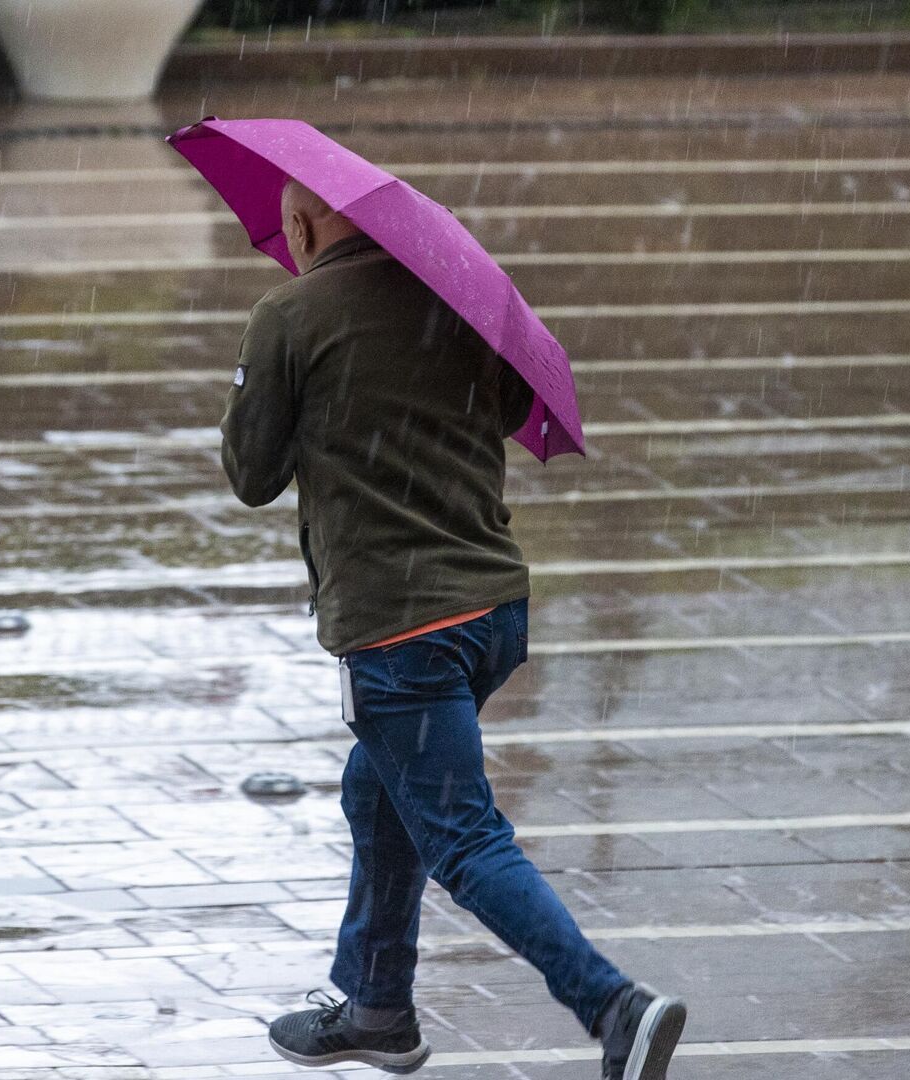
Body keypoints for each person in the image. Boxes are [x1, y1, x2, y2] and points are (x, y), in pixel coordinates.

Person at [222, 179, 686, 1080]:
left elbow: (251, 473)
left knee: (463, 837)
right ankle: (378, 1008)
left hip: (402, 630)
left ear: (305, 225)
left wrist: (280, 385)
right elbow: (512, 408)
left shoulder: (288, 315)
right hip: (493, 611)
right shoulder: (456, 301)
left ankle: (614, 1006)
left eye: (288, 228)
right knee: (377, 790)